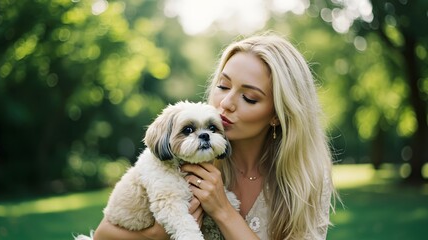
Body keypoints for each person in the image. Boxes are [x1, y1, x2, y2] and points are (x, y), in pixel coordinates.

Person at [93, 31, 337, 240]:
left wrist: (223, 211)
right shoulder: (184, 156)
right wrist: (157, 235)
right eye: (223, 86)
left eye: (249, 97)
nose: (227, 103)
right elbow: (101, 234)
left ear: (277, 115)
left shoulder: (306, 178)